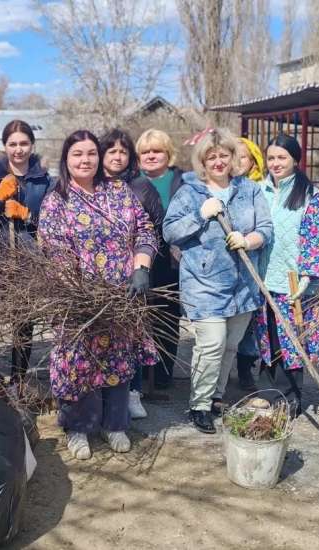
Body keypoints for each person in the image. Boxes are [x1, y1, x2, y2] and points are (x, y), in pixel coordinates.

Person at [38, 130, 159, 459]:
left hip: (121, 295)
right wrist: (80, 292)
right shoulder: (56, 200)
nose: (85, 160)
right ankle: (79, 427)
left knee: (118, 358)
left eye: (91, 153)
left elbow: (145, 229)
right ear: (66, 159)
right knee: (79, 362)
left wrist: (141, 267)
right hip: (79, 298)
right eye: (77, 154)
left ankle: (114, 423)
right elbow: (55, 250)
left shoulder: (119, 191)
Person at [163, 128, 273, 434]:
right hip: (204, 283)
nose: (219, 161)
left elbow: (266, 227)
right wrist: (200, 215)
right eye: (211, 156)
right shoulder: (190, 192)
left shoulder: (249, 191)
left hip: (243, 285)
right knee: (211, 345)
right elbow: (170, 232)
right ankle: (199, 404)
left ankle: (216, 397)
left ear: (233, 157)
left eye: (224, 155)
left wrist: (249, 240)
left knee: (230, 346)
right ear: (202, 161)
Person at [0, 120, 56, 386]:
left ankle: (18, 380)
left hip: (29, 262)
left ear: (32, 145)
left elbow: (54, 220)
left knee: (23, 325)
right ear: (5, 146)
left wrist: (28, 215)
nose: (18, 150)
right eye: (13, 144)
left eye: (23, 143)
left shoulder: (44, 181)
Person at [251, 134, 319, 416]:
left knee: (292, 339)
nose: (276, 163)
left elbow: (312, 237)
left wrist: (308, 274)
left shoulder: (310, 195)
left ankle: (291, 396)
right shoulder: (259, 190)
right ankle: (267, 391)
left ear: (295, 159)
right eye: (271, 158)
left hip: (293, 281)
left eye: (282, 157)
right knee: (267, 336)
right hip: (262, 277)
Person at [99, 128, 161, 420]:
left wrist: (141, 265)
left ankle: (133, 393)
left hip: (134, 272)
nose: (117, 156)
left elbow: (154, 228)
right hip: (99, 276)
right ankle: (103, 394)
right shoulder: (93, 185)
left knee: (132, 336)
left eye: (123, 151)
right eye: (111, 151)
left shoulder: (140, 186)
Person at [130, 129, 185, 392]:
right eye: (145, 152)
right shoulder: (130, 181)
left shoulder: (183, 180)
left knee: (167, 317)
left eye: (157, 151)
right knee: (140, 318)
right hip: (140, 259)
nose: (151, 156)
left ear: (168, 153)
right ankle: (140, 379)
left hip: (172, 261)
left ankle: (163, 376)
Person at [232, 137, 268, 392]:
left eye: (243, 157)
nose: (237, 162)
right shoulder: (223, 187)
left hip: (261, 262)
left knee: (253, 322)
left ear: (254, 160)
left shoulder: (263, 189)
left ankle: (247, 368)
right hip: (234, 266)